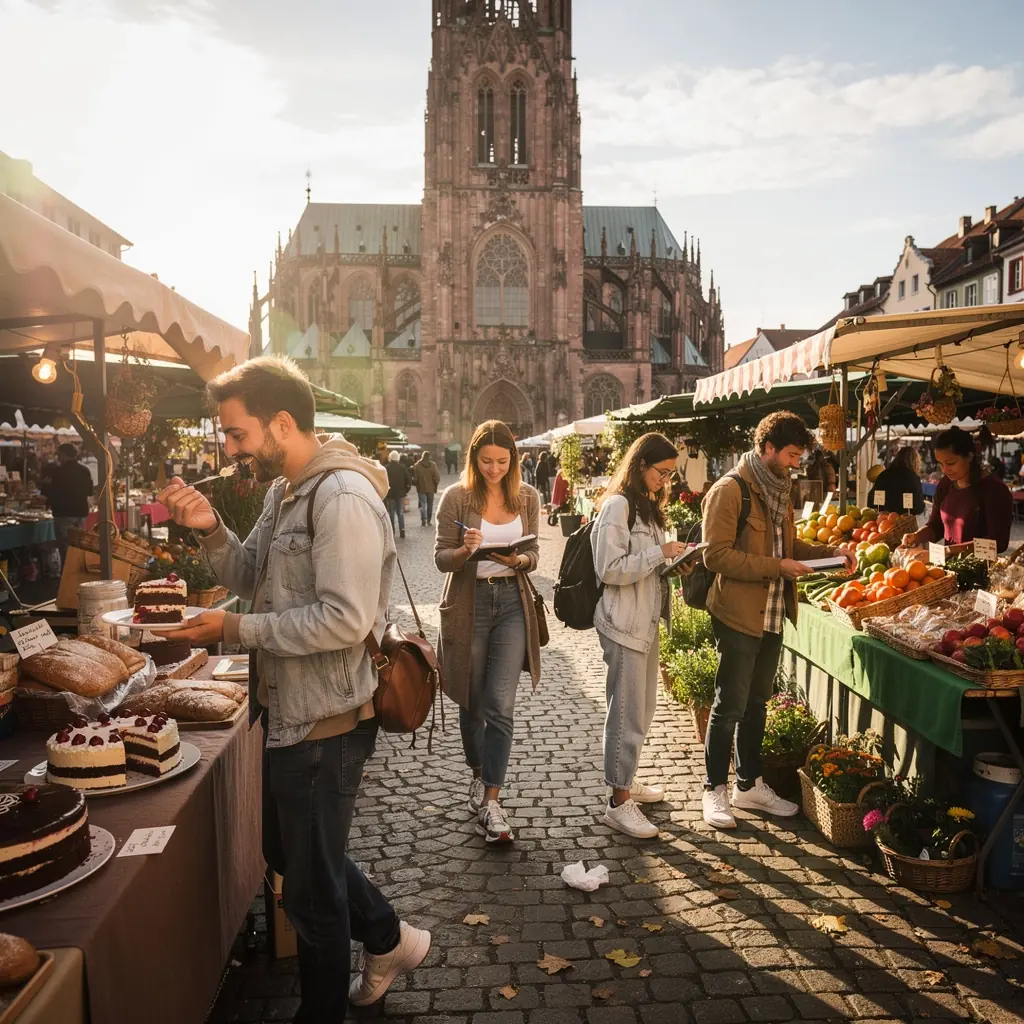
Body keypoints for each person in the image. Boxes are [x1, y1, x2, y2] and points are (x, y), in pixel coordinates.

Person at [157, 356, 429, 1021]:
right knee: (289, 855)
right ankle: (389, 935)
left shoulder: (341, 497)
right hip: (289, 711)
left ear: (281, 423)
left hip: (327, 720)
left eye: (236, 433)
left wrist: (236, 629)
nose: (229, 448)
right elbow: (250, 571)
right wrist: (210, 530)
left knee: (310, 897)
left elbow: (344, 620)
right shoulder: (287, 491)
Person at [701, 412, 850, 830]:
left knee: (757, 704)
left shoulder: (779, 489)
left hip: (772, 613)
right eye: (790, 455)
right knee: (729, 704)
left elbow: (790, 545)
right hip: (737, 613)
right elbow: (715, 555)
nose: (795, 464)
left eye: (799, 456)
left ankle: (747, 785)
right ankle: (712, 789)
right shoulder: (729, 490)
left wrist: (831, 554)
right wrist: (776, 567)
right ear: (767, 447)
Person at [434, 420, 542, 844]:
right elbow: (441, 558)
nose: (494, 468)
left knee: (500, 704)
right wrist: (465, 550)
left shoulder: (527, 496)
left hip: (513, 604)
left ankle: (493, 801)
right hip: (470, 605)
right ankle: (478, 773)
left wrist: (521, 562)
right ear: (473, 460)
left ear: (513, 459)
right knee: (472, 700)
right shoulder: (457, 497)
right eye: (486, 461)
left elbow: (534, 551)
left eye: (502, 461)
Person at [591, 433, 687, 838]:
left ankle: (627, 779)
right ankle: (618, 800)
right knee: (626, 712)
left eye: (670, 474)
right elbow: (609, 568)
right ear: (640, 465)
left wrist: (675, 565)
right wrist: (658, 554)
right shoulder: (618, 506)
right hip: (623, 623)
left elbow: (645, 567)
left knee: (643, 710)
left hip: (644, 622)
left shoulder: (648, 509)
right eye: (661, 472)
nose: (665, 480)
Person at [902, 425, 1013, 554]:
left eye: (950, 463)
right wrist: (916, 536)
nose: (944, 470)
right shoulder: (945, 484)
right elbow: (936, 526)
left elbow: (998, 543)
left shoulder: (995, 490)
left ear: (969, 457)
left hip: (980, 570)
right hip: (947, 568)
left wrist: (949, 551)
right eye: (940, 464)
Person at [41, 443, 93, 565]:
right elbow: (89, 491)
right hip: (81, 512)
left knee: (66, 546)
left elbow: (51, 493)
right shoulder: (84, 470)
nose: (58, 457)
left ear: (64, 455)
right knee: (78, 545)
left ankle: (68, 574)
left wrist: (47, 500)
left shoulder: (58, 472)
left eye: (59, 454)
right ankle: (78, 570)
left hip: (63, 513)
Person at [867, 446, 925, 515]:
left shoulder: (884, 475)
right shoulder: (913, 478)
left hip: (882, 520)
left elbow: (871, 501)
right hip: (903, 522)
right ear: (915, 462)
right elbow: (918, 507)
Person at [385, 450, 412, 539]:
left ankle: (392, 530)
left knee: (391, 513)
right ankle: (402, 529)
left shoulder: (386, 468)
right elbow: (408, 480)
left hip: (390, 494)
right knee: (400, 512)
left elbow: (384, 481)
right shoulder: (402, 467)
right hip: (400, 494)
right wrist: (405, 491)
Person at [412, 450, 441, 526]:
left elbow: (415, 479)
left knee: (423, 504)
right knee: (430, 505)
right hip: (431, 488)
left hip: (421, 488)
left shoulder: (417, 465)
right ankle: (429, 520)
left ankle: (423, 519)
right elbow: (438, 477)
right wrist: (435, 483)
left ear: (422, 456)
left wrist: (415, 483)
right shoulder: (433, 465)